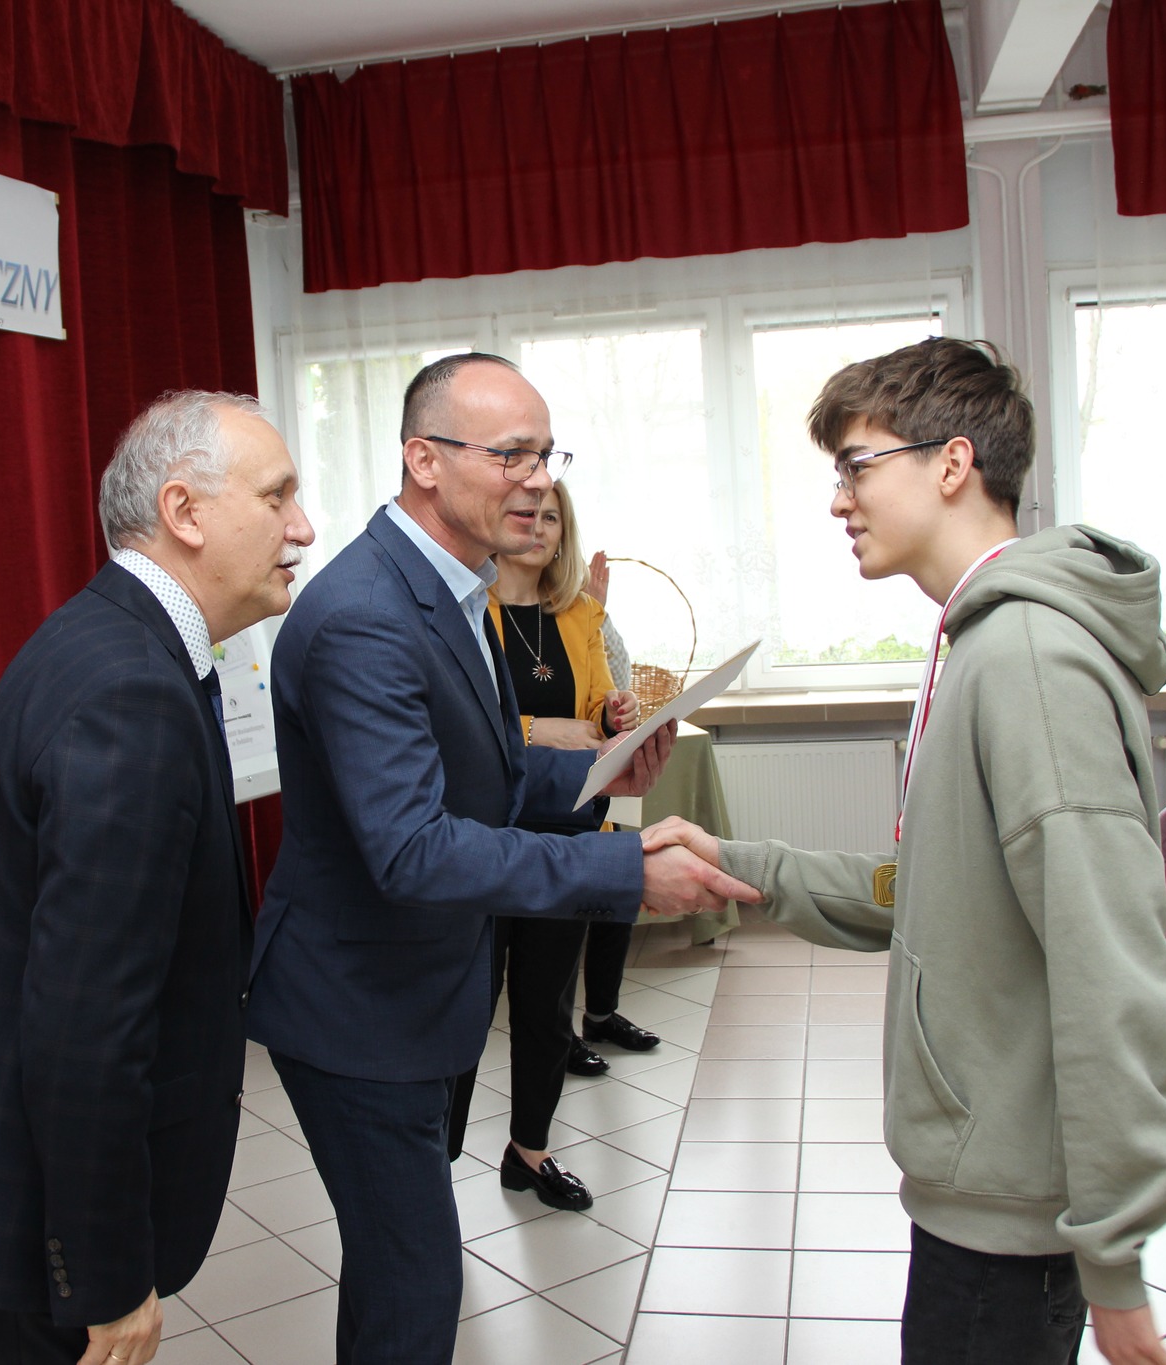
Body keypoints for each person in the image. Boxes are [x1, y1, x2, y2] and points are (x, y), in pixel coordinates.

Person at [644, 338, 1166, 1365]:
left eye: (856, 466)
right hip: (979, 1190)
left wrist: (1114, 1258)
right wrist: (740, 862)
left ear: (951, 463)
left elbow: (1109, 964)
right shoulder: (978, 640)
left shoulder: (1026, 657)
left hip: (1012, 1218)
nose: (837, 500)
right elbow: (933, 892)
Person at [246, 351, 756, 1365]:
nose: (536, 480)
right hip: (357, 1008)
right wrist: (623, 872)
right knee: (415, 1281)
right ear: (423, 460)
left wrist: (597, 777)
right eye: (512, 454)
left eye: (546, 454)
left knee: (400, 1270)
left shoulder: (453, 589)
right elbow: (412, 848)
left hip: (423, 987)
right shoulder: (364, 615)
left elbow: (484, 775)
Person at [0, 392, 314, 1365]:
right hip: (20, 1225)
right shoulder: (130, 693)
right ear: (185, 513)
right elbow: (86, 1027)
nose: (302, 527)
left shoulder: (116, 642)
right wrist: (105, 1278)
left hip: (9, 1189)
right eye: (277, 497)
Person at [444, 482, 641, 1210]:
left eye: (551, 517)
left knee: (547, 1004)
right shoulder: (468, 612)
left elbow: (597, 715)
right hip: (486, 834)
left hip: (567, 827)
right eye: (525, 514)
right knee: (468, 1003)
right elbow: (466, 727)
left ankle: (529, 1150)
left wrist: (611, 714)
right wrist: (543, 731)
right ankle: (434, 1160)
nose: (537, 527)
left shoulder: (583, 614)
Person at [569, 547, 662, 1077]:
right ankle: (557, 1034)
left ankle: (601, 1015)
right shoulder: (499, 605)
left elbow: (619, 685)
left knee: (615, 901)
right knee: (559, 922)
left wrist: (597, 609)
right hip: (550, 783)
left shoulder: (582, 608)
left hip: (601, 775)